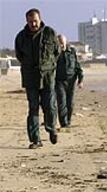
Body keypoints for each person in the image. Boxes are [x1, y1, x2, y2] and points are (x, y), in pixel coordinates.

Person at [15, 8, 60, 149]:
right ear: (26, 21)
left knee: (50, 106)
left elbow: (57, 52)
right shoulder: (21, 37)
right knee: (33, 109)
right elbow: (19, 56)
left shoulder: (50, 33)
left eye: (35, 21)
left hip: (47, 76)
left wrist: (48, 66)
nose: (33, 24)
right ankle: (35, 140)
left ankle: (51, 128)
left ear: (40, 19)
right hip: (30, 78)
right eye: (30, 22)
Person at [55, 34, 84, 128]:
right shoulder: (54, 53)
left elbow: (77, 66)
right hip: (59, 81)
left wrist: (80, 80)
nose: (61, 45)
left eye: (62, 43)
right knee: (62, 102)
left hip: (71, 81)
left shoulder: (72, 52)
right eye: (59, 43)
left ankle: (68, 121)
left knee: (70, 103)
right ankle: (64, 123)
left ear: (65, 42)